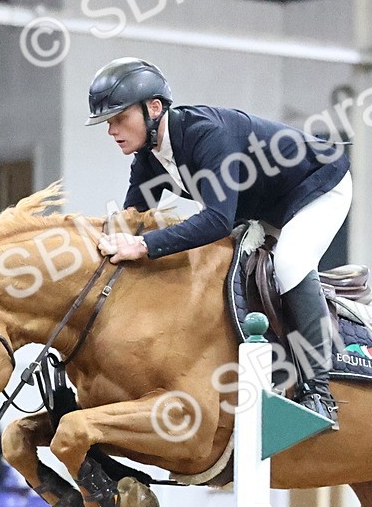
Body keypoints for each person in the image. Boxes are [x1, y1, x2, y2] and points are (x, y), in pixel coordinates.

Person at [88, 57, 351, 428]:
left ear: (154, 108)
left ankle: (319, 394)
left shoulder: (206, 135)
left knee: (290, 262)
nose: (111, 130)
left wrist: (144, 247)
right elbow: (132, 223)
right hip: (264, 207)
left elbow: (216, 220)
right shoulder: (148, 159)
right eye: (107, 122)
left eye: (118, 118)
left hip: (317, 186)